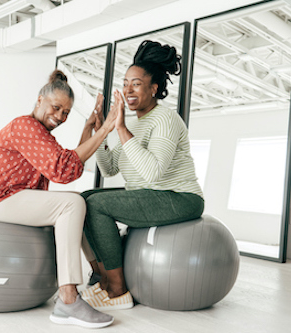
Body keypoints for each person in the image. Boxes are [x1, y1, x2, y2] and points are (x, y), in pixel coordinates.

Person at [0, 70, 117, 328]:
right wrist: (105, 129)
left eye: (66, 113)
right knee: (71, 204)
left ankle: (99, 276)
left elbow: (69, 169)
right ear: (39, 100)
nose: (60, 116)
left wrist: (88, 128)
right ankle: (68, 300)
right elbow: (62, 168)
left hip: (10, 198)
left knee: (76, 199)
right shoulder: (24, 127)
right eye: (56, 108)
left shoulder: (41, 133)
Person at [79, 40, 205, 310]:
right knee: (83, 199)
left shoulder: (165, 119)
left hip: (178, 197)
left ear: (153, 88)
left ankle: (117, 288)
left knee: (97, 204)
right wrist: (102, 132)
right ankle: (102, 278)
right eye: (125, 83)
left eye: (136, 83)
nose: (128, 89)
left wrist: (121, 129)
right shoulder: (135, 122)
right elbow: (109, 168)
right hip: (148, 195)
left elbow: (153, 172)